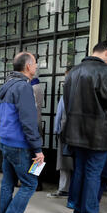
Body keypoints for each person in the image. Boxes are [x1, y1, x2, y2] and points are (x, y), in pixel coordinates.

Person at [62, 41, 107, 213]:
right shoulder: (106, 71)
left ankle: (80, 212)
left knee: (80, 171)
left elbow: (67, 101)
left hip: (75, 131)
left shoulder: (73, 72)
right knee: (93, 174)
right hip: (98, 133)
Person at [0, 52, 44, 213]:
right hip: (19, 144)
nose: (36, 66)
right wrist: (38, 149)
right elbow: (28, 121)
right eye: (35, 63)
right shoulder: (23, 88)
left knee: (7, 182)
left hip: (6, 141)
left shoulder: (7, 85)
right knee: (30, 183)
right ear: (27, 66)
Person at [48, 68, 74, 199]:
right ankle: (73, 190)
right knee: (74, 164)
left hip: (65, 132)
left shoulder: (66, 96)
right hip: (80, 134)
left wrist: (56, 131)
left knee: (64, 163)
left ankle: (63, 188)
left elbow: (59, 115)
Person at [31, 77, 44, 191]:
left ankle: (35, 182)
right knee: (37, 154)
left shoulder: (32, 88)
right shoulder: (38, 87)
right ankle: (37, 182)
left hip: (32, 125)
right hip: (38, 123)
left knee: (35, 154)